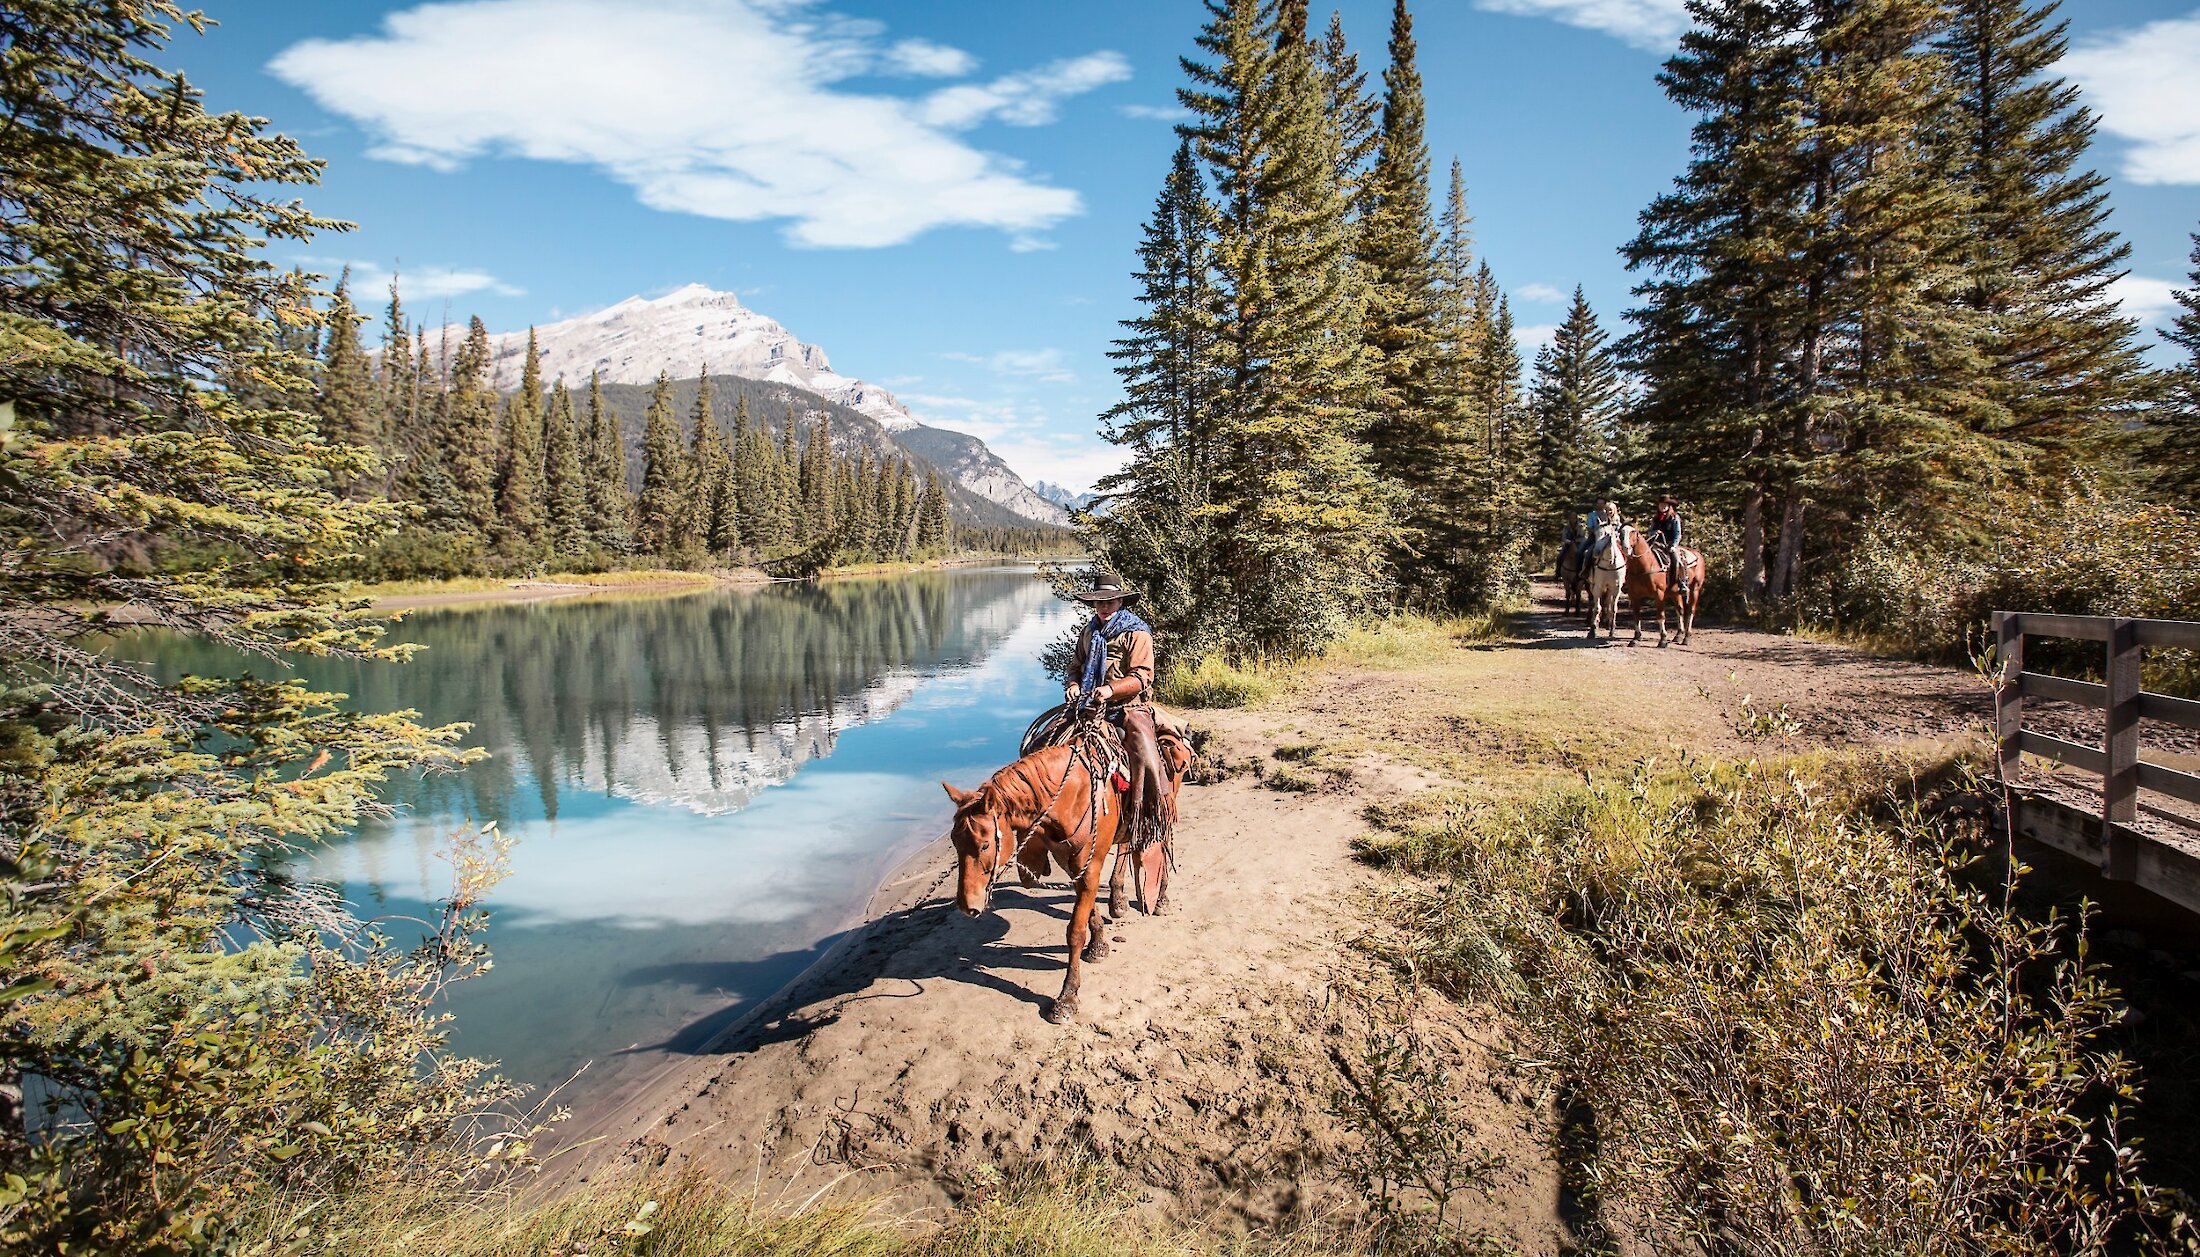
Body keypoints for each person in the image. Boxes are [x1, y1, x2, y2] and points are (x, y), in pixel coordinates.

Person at [1064, 576, 1168, 843]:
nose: (1104, 607)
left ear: (1120, 601)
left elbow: (1143, 676)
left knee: (1145, 753)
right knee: (1045, 741)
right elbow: (1075, 667)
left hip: (1128, 706)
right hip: (1089, 705)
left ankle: (1151, 813)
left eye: (1109, 602)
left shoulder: (1137, 632)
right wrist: (1074, 685)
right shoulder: (1089, 632)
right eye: (1099, 603)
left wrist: (1111, 690)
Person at [1650, 495, 1683, 573]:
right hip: (1656, 543)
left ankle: (1682, 580)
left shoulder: (1674, 517)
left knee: (1676, 559)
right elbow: (1650, 531)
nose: (1663, 507)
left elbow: (1677, 534)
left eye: (1665, 505)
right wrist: (1654, 532)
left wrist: (1674, 546)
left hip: (1669, 544)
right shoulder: (1655, 518)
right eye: (1661, 505)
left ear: (1669, 506)